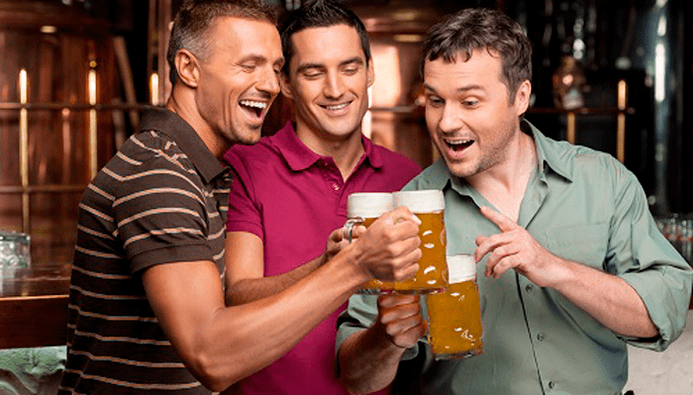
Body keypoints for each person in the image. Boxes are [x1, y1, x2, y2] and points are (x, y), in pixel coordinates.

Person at [58, 1, 422, 394]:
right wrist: (355, 265)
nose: (267, 84)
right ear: (188, 68)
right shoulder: (158, 176)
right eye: (248, 66)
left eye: (274, 68)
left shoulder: (198, 171)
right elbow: (211, 355)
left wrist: (329, 264)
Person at [336, 7, 693, 395]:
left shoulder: (603, 180)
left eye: (469, 102)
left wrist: (555, 269)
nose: (446, 122)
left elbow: (663, 315)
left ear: (520, 96)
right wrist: (384, 341)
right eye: (435, 101)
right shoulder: (407, 213)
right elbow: (355, 379)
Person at [222, 1, 421, 394]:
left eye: (349, 69)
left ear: (370, 72)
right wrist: (332, 266)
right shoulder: (246, 166)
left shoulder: (408, 177)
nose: (335, 89)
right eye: (314, 73)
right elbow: (237, 295)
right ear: (286, 83)